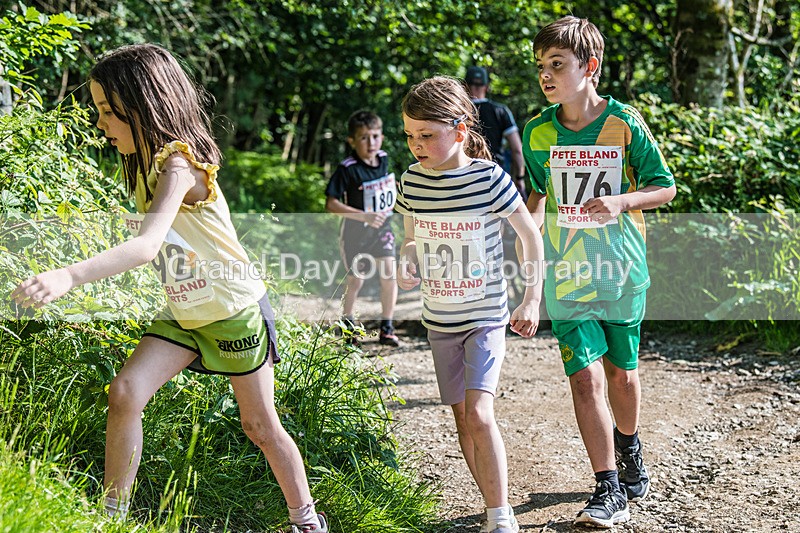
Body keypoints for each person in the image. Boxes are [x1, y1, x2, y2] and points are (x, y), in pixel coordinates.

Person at [11, 44, 328, 533]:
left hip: (233, 310)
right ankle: (110, 519)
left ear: (142, 107)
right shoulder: (141, 163)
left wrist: (67, 276)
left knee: (260, 427)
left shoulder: (180, 164)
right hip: (186, 311)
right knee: (125, 391)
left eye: (107, 112)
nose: (101, 125)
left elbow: (145, 246)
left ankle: (306, 521)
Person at [522, 16, 676, 528]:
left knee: (620, 375)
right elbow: (539, 197)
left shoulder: (624, 123)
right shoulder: (536, 131)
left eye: (557, 64)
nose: (546, 74)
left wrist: (622, 201)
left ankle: (630, 449)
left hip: (621, 268)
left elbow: (665, 187)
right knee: (584, 378)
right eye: (541, 65)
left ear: (589, 67)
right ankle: (607, 486)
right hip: (569, 273)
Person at [396, 76, 544, 533]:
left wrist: (531, 298)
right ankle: (491, 504)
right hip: (438, 319)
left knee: (480, 411)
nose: (416, 145)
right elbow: (410, 239)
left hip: (485, 314)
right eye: (409, 135)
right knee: (462, 417)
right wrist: (408, 262)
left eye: (427, 135)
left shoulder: (489, 179)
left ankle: (502, 519)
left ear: (459, 131)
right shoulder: (411, 182)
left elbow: (530, 236)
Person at [325, 110, 400, 347]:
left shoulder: (385, 159)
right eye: (364, 138)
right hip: (355, 233)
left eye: (375, 136)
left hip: (382, 230)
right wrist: (364, 216)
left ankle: (387, 327)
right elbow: (331, 203)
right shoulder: (347, 168)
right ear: (352, 141)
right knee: (356, 280)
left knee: (389, 274)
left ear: (382, 137)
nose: (371, 143)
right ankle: (347, 326)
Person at [465, 66, 527, 200]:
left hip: (464, 178)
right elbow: (517, 149)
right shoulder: (500, 111)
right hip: (496, 177)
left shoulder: (458, 112)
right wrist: (519, 179)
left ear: (464, 87)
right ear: (486, 87)